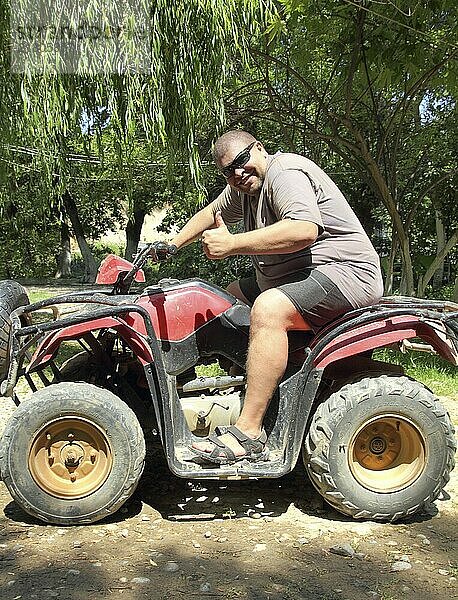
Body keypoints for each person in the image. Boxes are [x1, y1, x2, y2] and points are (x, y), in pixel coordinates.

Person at [169, 130, 384, 465]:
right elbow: (210, 213)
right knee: (224, 297)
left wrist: (233, 245)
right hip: (296, 274)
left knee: (269, 308)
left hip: (344, 272)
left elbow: (303, 229)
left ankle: (249, 432)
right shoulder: (244, 188)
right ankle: (239, 382)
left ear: (260, 149)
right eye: (228, 171)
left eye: (241, 162)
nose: (237, 174)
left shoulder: (285, 172)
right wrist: (171, 245)